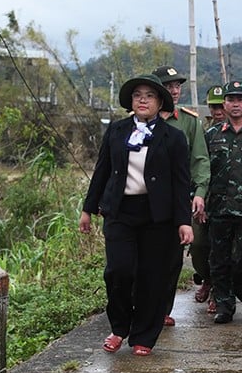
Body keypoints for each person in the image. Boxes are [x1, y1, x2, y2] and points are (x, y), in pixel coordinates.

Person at [79, 73, 193, 356]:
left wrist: (184, 222)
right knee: (118, 271)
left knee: (152, 276)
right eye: (138, 95)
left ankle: (144, 335)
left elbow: (181, 183)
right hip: (120, 212)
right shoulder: (117, 131)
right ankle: (119, 327)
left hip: (158, 216)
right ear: (131, 101)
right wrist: (88, 209)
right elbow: (102, 171)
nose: (143, 100)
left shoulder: (174, 138)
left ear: (160, 103)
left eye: (150, 96)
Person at [151, 65, 210, 327]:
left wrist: (200, 192)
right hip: (145, 199)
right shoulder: (141, 120)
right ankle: (142, 306)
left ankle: (163, 309)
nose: (174, 91)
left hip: (178, 199)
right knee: (144, 255)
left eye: (177, 86)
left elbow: (200, 159)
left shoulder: (189, 121)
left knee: (172, 257)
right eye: (168, 86)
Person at [205, 80, 242, 324]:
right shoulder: (212, 135)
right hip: (218, 207)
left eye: (240, 99)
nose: (235, 104)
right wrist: (200, 200)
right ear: (224, 104)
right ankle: (224, 304)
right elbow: (202, 171)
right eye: (231, 100)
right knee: (219, 259)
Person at [193, 85, 226, 311]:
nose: (218, 111)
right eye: (214, 107)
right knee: (198, 245)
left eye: (221, 105)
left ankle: (218, 290)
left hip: (230, 201)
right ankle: (206, 277)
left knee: (224, 249)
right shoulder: (203, 131)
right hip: (204, 198)